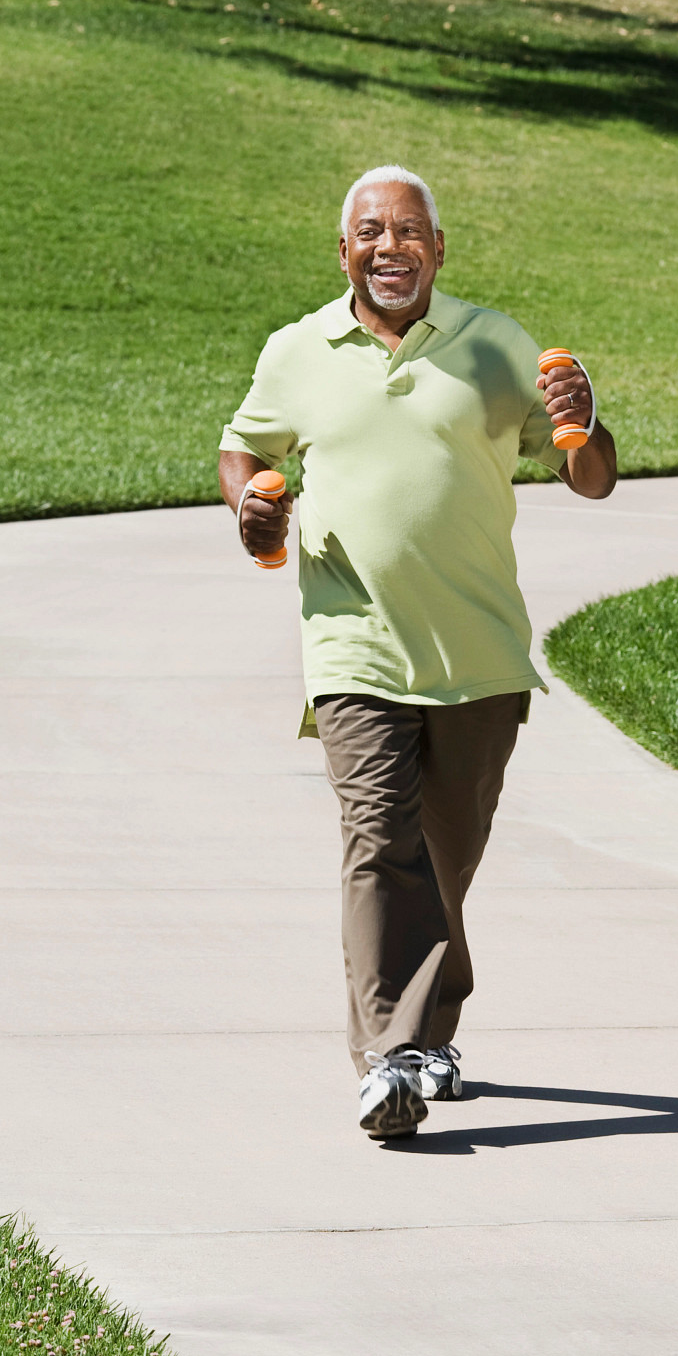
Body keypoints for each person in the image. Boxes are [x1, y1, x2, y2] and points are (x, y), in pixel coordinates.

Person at [219, 165, 617, 1140]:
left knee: (444, 859)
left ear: (439, 250)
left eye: (408, 232)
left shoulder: (497, 345)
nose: (387, 247)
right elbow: (245, 446)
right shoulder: (298, 349)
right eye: (369, 232)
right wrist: (250, 503)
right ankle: (386, 1060)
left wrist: (588, 415)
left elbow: (592, 478)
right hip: (351, 642)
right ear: (343, 250)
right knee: (377, 840)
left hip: (477, 650)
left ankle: (431, 1031)